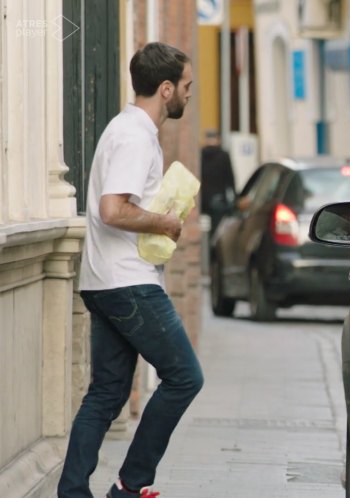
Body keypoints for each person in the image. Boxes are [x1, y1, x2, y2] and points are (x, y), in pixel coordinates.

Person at [58, 42, 203, 498]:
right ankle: (130, 485)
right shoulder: (134, 136)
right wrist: (166, 222)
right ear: (165, 89)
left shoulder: (127, 131)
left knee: (106, 394)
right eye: (185, 86)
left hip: (106, 281)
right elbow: (112, 209)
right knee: (184, 376)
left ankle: (73, 492)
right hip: (128, 284)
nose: (188, 94)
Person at [200, 129, 236, 236]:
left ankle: (204, 248)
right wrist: (235, 196)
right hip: (219, 199)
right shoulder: (223, 155)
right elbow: (230, 178)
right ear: (218, 139)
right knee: (217, 231)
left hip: (203, 199)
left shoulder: (200, 154)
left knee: (203, 228)